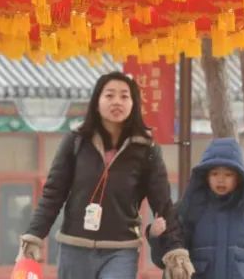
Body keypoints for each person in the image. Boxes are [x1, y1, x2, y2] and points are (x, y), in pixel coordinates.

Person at [17, 71, 191, 279]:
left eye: (124, 96)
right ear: (97, 101)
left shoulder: (146, 149)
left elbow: (163, 204)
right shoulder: (76, 142)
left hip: (121, 249)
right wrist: (34, 236)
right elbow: (53, 194)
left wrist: (175, 251)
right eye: (109, 95)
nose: (117, 101)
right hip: (75, 247)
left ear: (134, 103)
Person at [151, 137, 244, 279]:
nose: (221, 179)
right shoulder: (188, 210)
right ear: (206, 176)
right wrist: (156, 237)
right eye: (215, 173)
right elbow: (166, 259)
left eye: (228, 174)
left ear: (239, 177)